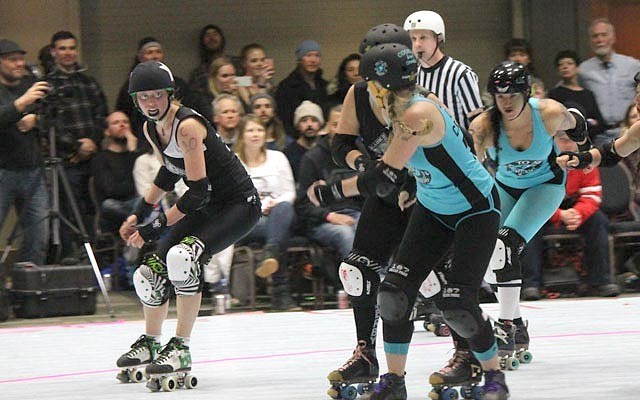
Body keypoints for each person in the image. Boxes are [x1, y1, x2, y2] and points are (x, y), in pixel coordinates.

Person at [318, 42, 510, 400]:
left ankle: (494, 376)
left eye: (369, 85)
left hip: (475, 211)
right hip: (434, 207)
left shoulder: (416, 113)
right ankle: (394, 382)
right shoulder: (413, 104)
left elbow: (382, 177)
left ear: (379, 85)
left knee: (456, 302)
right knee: (393, 292)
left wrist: (330, 191)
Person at [116, 61, 260, 381]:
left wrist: (154, 225)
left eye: (157, 96)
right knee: (149, 272)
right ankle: (152, 342)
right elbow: (169, 170)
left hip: (239, 205)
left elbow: (196, 193)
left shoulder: (188, 126)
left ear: (169, 95)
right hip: (207, 206)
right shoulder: (151, 127)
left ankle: (180, 345)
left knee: (183, 258)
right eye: (144, 98)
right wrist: (139, 213)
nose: (151, 104)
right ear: (136, 101)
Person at [471, 61, 588, 367]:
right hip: (506, 188)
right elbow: (468, 170)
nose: (506, 102)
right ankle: (518, 323)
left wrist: (584, 150)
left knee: (504, 246)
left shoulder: (547, 113)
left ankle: (506, 326)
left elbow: (577, 121)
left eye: (512, 95)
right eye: (499, 96)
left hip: (545, 187)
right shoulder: (484, 126)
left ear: (526, 93)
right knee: (484, 258)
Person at [520, 132, 620, 300]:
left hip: (574, 207)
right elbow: (532, 197)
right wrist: (559, 215)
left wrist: (577, 214)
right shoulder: (538, 161)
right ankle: (531, 284)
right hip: (541, 207)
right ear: (552, 141)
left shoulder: (586, 159)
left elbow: (592, 195)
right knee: (529, 227)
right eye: (563, 140)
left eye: (572, 141)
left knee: (599, 220)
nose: (568, 145)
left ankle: (601, 281)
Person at [43, 30, 109, 261]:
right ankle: (71, 260)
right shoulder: (46, 85)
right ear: (53, 52)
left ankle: (95, 260)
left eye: (72, 48)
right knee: (70, 211)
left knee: (93, 209)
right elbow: (49, 123)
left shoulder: (88, 82)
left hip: (93, 158)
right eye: (62, 48)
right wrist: (75, 147)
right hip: (66, 161)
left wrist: (92, 143)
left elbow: (102, 115)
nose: (68, 52)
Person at [233, 114, 298, 310]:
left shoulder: (278, 158)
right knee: (279, 234)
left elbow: (290, 192)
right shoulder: (233, 162)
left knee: (284, 210)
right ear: (242, 135)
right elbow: (230, 199)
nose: (255, 134)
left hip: (278, 214)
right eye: (250, 130)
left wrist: (274, 203)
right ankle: (280, 293)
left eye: (259, 130)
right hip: (248, 221)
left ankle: (270, 254)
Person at [296, 105, 362, 283]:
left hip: (357, 214)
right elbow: (302, 205)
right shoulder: (312, 158)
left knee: (372, 230)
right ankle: (357, 287)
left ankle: (381, 283)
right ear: (327, 127)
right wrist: (330, 216)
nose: (341, 129)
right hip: (321, 221)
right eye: (335, 124)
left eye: (345, 124)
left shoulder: (360, 156)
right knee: (345, 234)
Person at [0, 39, 50, 265]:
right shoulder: (25, 93)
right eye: (12, 59)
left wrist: (36, 119)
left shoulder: (31, 83)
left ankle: (29, 289)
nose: (19, 63)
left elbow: (52, 116)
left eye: (21, 58)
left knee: (39, 233)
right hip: (3, 171)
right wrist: (21, 105)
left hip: (32, 170)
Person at [404, 11, 483, 130]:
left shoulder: (460, 73)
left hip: (459, 146)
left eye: (423, 38)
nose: (417, 44)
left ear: (439, 38)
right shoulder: (413, 76)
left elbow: (478, 121)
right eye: (413, 39)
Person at [115, 37, 201, 148]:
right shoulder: (130, 87)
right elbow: (122, 115)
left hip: (175, 137)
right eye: (150, 52)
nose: (155, 56)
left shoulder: (177, 84)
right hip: (142, 141)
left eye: (158, 52)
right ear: (140, 57)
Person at [579, 18, 640, 146]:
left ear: (613, 38)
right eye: (595, 36)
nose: (599, 40)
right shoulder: (582, 71)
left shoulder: (633, 65)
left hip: (629, 132)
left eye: (604, 35)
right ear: (590, 41)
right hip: (598, 137)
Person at [90, 111, 140, 230]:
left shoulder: (140, 154)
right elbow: (112, 190)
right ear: (107, 131)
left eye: (125, 122)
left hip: (140, 201)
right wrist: (132, 153)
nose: (122, 125)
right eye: (116, 123)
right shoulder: (100, 159)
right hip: (117, 205)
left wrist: (133, 152)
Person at [548, 50, 606, 144]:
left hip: (590, 142)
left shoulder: (588, 94)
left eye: (569, 63)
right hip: (564, 143)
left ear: (577, 68)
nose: (565, 67)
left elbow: (600, 124)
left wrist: (585, 133)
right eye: (561, 65)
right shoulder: (554, 94)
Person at [275, 39, 329, 139]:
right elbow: (284, 119)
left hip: (322, 139)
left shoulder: (325, 86)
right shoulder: (286, 87)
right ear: (300, 59)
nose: (313, 60)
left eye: (317, 55)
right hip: (296, 140)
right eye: (308, 55)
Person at [283, 100, 323, 180]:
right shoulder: (288, 153)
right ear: (297, 125)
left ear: (320, 124)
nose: (309, 125)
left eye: (314, 120)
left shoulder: (327, 149)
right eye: (304, 120)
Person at [188, 24, 226, 95]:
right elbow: (196, 99)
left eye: (215, 34)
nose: (212, 38)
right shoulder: (198, 74)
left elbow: (246, 82)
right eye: (207, 35)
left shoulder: (236, 64)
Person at [236, 43, 276, 111]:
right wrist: (261, 85)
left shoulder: (268, 83)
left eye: (262, 60)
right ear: (244, 63)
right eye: (254, 61)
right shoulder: (241, 81)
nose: (259, 64)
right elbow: (253, 109)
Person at [198, 57, 239, 122]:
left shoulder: (238, 94)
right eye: (225, 76)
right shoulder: (204, 100)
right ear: (213, 78)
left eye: (233, 75)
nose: (230, 80)